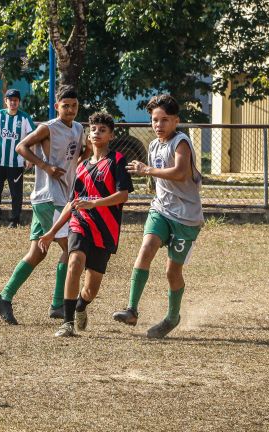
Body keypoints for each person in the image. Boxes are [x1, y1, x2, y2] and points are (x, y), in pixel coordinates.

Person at [0, 85, 90, 325]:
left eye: (74, 106)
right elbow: (20, 146)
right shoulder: (48, 127)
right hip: (48, 197)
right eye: (65, 106)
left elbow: (78, 155)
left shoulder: (78, 128)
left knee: (37, 252)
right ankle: (58, 304)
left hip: (60, 197)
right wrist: (46, 167)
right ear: (57, 107)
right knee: (71, 249)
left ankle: (4, 297)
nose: (70, 110)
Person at [112, 94, 204, 339]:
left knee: (171, 272)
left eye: (164, 120)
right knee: (146, 249)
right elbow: (160, 179)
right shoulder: (153, 146)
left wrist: (148, 170)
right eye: (154, 120)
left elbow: (180, 172)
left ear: (176, 121)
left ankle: (172, 317)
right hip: (161, 209)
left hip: (186, 217)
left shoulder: (181, 142)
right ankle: (131, 309)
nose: (158, 125)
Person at [38, 112, 134, 337]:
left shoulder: (117, 161)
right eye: (93, 130)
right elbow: (72, 203)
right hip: (80, 223)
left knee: (91, 289)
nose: (96, 133)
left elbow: (123, 196)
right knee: (75, 262)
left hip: (106, 230)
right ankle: (67, 322)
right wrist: (52, 232)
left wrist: (95, 203)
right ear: (88, 135)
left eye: (102, 130)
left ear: (111, 135)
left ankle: (81, 305)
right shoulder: (81, 167)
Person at [0, 89, 36, 228]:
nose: (13, 103)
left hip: (16, 163)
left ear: (19, 102)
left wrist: (30, 158)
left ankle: (14, 220)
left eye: (15, 100)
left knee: (16, 193)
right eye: (10, 100)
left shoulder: (24, 118)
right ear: (5, 101)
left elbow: (33, 138)